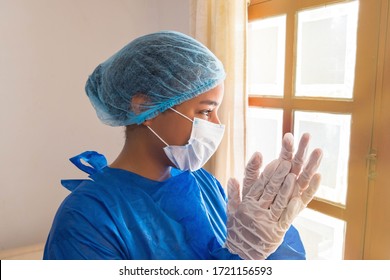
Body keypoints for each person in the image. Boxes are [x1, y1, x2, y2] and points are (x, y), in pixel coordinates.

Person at [43, 31, 322, 260]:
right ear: (147, 108)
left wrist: (263, 244)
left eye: (216, 111)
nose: (217, 124)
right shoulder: (87, 218)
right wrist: (238, 259)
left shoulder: (205, 185)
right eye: (204, 112)